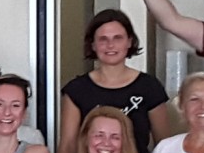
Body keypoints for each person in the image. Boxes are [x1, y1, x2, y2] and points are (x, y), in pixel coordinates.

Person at [61, 8, 170, 144]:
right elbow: (67, 146)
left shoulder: (149, 86)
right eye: (103, 39)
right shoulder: (76, 90)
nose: (110, 45)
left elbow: (165, 145)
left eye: (118, 38)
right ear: (93, 45)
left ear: (129, 41)